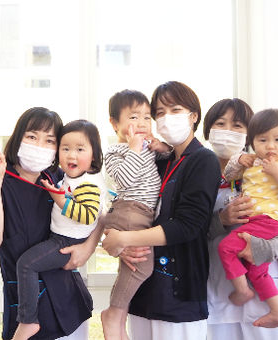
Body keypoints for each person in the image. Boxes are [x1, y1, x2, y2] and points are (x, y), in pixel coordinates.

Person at [101, 81, 221, 339]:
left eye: (175, 109)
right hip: (143, 291)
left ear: (193, 116)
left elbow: (188, 226)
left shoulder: (203, 160)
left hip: (180, 294)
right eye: (160, 113)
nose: (166, 118)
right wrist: (121, 243)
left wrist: (125, 239)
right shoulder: (159, 160)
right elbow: (131, 203)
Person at [0, 108, 103, 340]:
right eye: (32, 137)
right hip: (26, 311)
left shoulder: (58, 178)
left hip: (69, 302)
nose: (40, 146)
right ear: (17, 138)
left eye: (50, 140)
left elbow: (98, 211)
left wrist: (88, 247)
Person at [203, 98, 278, 339]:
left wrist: (267, 248)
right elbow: (188, 227)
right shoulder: (199, 173)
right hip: (218, 291)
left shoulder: (272, 172)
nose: (229, 132)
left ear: (250, 134)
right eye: (220, 124)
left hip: (269, 283)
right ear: (208, 130)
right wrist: (220, 220)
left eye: (238, 125)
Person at [12, 119, 106, 340]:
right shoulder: (71, 176)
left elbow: (88, 215)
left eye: (80, 149)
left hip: (66, 242)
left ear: (94, 154)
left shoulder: (89, 183)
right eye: (65, 149)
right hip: (61, 237)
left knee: (26, 264)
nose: (71, 155)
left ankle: (27, 320)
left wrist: (59, 199)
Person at [100, 89, 171, 340]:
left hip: (143, 214)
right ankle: (114, 314)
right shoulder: (115, 151)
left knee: (132, 269)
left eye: (146, 117)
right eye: (133, 117)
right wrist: (134, 149)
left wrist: (160, 146)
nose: (141, 123)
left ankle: (118, 322)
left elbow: (172, 157)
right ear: (114, 123)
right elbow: (125, 179)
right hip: (129, 211)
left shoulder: (147, 148)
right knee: (141, 268)